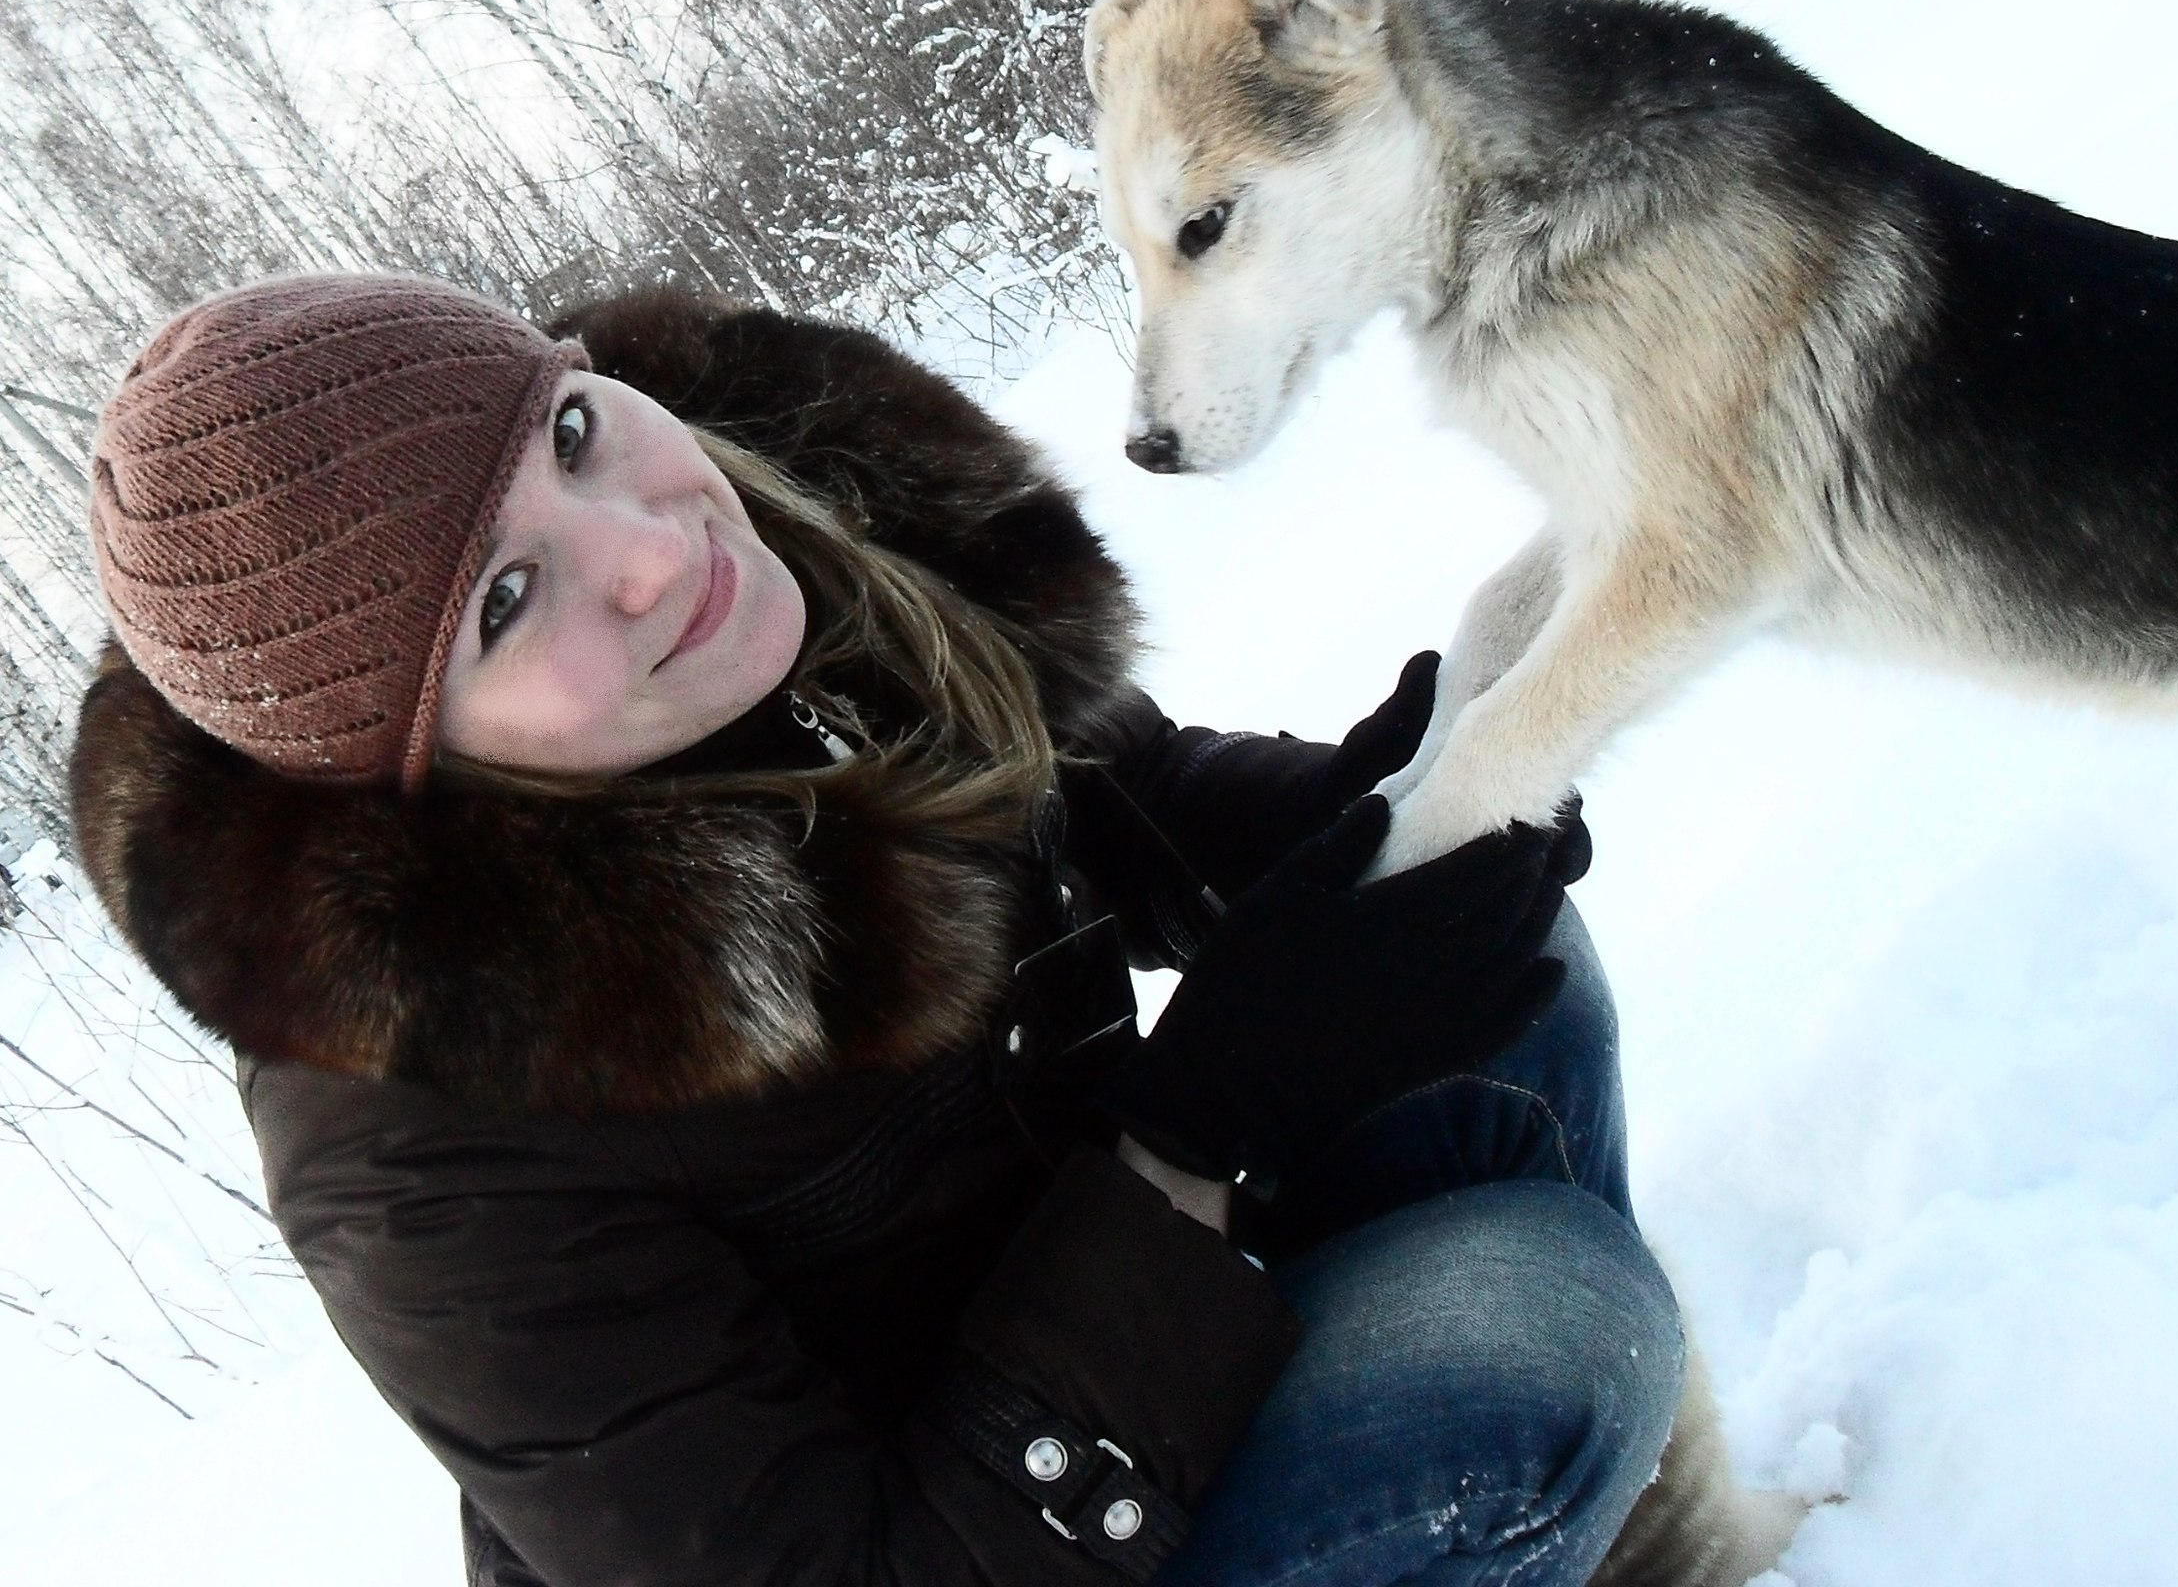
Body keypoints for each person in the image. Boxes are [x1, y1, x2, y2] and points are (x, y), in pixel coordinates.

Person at [67, 275, 1756, 1587]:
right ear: (413, 773)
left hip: (1086, 1322)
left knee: (1495, 969)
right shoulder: (419, 1134)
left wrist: (1365, 810)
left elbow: (1114, 794)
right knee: (1537, 1339)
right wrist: (1196, 1128)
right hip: (967, 1527)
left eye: (571, 435)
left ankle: (1631, 1554)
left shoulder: (809, 558)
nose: (649, 551)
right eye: (505, 602)